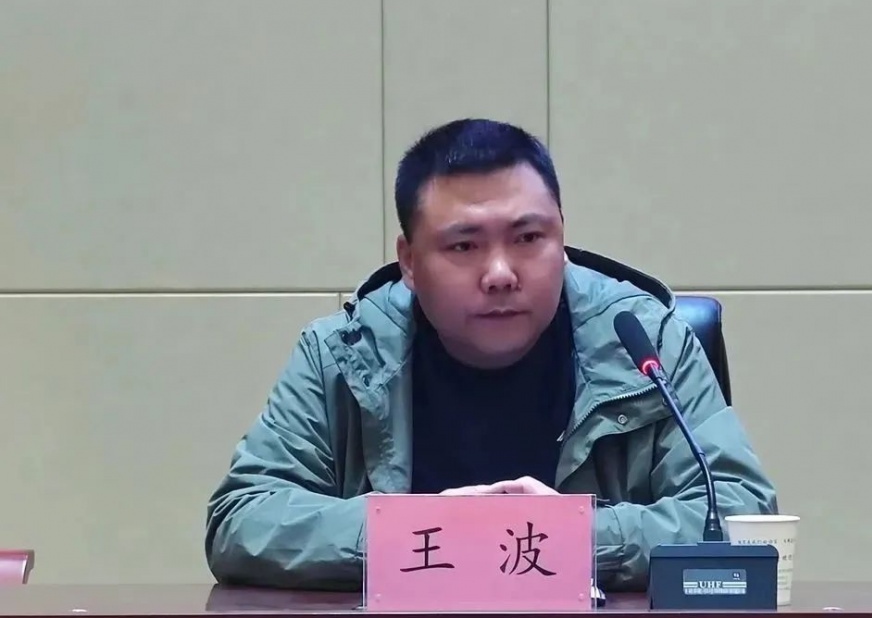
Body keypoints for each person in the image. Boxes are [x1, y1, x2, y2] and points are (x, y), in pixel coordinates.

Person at [204, 118, 778, 591]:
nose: (500, 273)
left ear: (561, 236)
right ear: (409, 261)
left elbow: (742, 516)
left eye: (528, 238)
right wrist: (427, 530)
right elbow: (243, 519)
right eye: (464, 245)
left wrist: (570, 535)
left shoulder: (647, 343)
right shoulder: (343, 353)